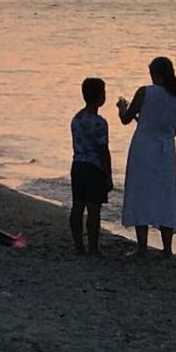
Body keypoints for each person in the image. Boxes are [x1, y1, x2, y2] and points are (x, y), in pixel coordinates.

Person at [117, 57, 176, 258]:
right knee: (165, 195)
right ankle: (167, 248)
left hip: (143, 147)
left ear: (156, 74)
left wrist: (122, 106)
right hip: (165, 151)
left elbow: (125, 119)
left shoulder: (145, 92)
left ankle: (142, 246)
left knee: (141, 192)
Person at [70, 77, 113, 255]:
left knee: (77, 206)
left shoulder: (77, 118)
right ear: (99, 97)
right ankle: (93, 247)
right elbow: (104, 150)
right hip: (94, 168)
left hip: (78, 165)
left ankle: (79, 244)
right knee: (94, 209)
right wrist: (108, 175)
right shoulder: (100, 123)